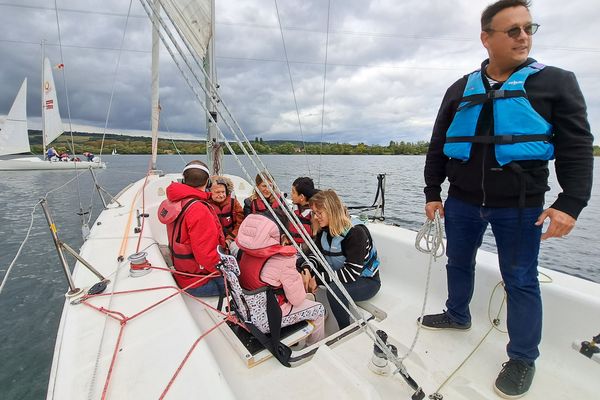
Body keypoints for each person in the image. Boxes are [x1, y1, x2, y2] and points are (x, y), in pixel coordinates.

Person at [421, 1, 594, 398]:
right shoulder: (459, 88)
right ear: (486, 38)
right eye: (512, 30)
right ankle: (457, 314)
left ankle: (521, 358)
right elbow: (438, 145)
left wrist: (570, 204)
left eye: (529, 28)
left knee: (520, 280)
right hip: (461, 200)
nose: (523, 36)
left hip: (521, 206)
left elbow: (577, 147)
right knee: (457, 261)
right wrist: (433, 192)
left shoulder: (556, 82)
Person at [235, 212, 325, 346]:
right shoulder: (282, 260)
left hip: (246, 313)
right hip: (268, 319)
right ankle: (314, 348)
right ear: (282, 237)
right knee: (319, 309)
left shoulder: (242, 252)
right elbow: (297, 299)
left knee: (308, 299)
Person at [301, 189, 381, 329]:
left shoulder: (355, 233)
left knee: (335, 290)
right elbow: (316, 254)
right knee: (299, 267)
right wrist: (307, 269)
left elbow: (351, 274)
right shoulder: (324, 231)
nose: (315, 217)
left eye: (319, 213)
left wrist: (319, 278)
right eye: (314, 213)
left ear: (332, 211)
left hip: (367, 281)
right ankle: (313, 313)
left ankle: (345, 328)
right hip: (339, 272)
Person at [157, 160, 226, 297]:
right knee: (245, 280)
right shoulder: (199, 210)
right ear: (208, 182)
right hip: (198, 282)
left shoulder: (176, 201)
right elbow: (206, 255)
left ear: (184, 180)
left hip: (184, 274)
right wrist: (224, 271)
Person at [208, 175, 244, 255]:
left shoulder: (233, 202)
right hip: (214, 241)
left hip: (231, 238)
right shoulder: (205, 205)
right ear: (209, 192)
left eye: (223, 192)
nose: (221, 195)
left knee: (238, 250)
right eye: (217, 192)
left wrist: (229, 239)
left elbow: (240, 223)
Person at [289, 177, 319, 248]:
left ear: (302, 197)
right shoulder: (294, 209)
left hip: (303, 252)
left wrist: (298, 247)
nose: (291, 194)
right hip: (291, 248)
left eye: (293, 192)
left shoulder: (313, 215)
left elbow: (316, 241)